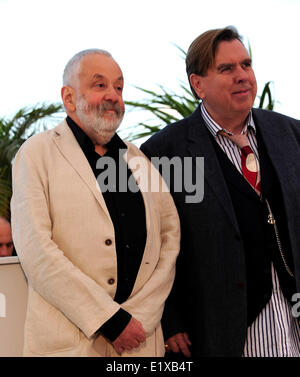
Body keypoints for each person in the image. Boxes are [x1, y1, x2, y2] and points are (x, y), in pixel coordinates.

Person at [140, 27, 300, 357]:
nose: (242, 76)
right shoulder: (165, 152)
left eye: (246, 64)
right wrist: (169, 319)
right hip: (218, 331)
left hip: (292, 321)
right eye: (226, 69)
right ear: (197, 84)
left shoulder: (291, 135)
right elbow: (150, 246)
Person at [10, 49, 180, 357]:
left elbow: (169, 241)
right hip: (70, 345)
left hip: (141, 342)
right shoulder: (35, 154)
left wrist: (139, 316)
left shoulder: (139, 160)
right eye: (99, 85)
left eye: (119, 86)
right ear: (70, 97)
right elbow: (36, 249)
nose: (113, 95)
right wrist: (110, 321)